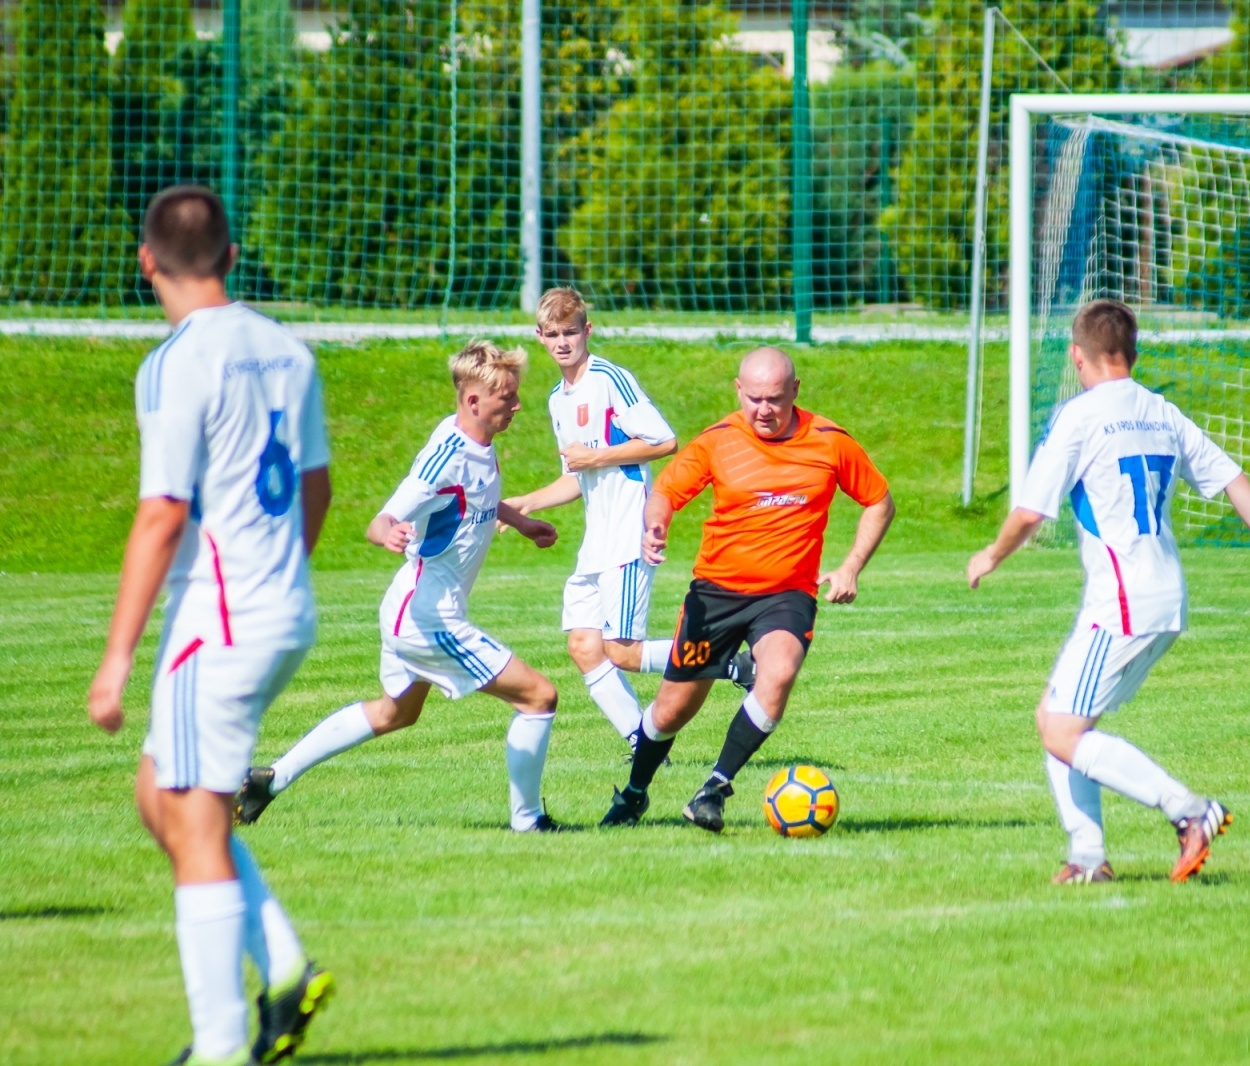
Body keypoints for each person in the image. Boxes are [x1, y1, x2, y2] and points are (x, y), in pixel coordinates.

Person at [87, 185, 335, 1066]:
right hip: (282, 609)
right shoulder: (288, 350)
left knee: (192, 823)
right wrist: (281, 578)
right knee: (161, 797)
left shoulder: (174, 362)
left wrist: (116, 660)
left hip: (217, 623)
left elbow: (160, 514)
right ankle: (288, 964)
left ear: (146, 261)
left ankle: (221, 1044)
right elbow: (316, 488)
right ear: (230, 256)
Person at [966, 299, 1250, 885]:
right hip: (1164, 593)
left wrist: (991, 554)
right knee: (1059, 718)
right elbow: (1229, 476)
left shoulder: (1078, 417)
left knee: (1062, 729)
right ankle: (1088, 859)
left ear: (1077, 355)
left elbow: (1029, 511)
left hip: (1122, 603)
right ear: (1132, 352)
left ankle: (1189, 811)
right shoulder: (1161, 411)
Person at [235, 341, 564, 833]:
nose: (517, 405)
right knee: (540, 696)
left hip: (412, 606)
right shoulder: (443, 458)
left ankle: (270, 778)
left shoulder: (476, 443)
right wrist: (385, 530)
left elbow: (476, 499)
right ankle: (528, 821)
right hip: (428, 618)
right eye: (508, 398)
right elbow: (381, 518)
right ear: (473, 400)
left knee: (394, 714)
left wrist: (520, 522)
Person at [599, 346, 895, 832]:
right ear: (738, 391)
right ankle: (635, 793)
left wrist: (850, 568)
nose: (764, 409)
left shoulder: (830, 442)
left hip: (786, 594)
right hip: (714, 595)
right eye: (754, 398)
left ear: (795, 392)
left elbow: (879, 502)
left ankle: (714, 788)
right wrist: (656, 525)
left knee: (777, 675)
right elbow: (666, 492)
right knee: (671, 712)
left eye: (775, 399)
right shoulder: (718, 441)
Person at [502, 288, 682, 756]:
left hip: (626, 532)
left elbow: (664, 441)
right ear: (539, 337)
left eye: (571, 332)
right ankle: (643, 745)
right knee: (584, 645)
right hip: (596, 541)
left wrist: (597, 455)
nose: (563, 342)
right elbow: (575, 476)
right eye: (553, 334)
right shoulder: (558, 399)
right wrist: (528, 502)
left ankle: (724, 661)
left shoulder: (609, 379)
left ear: (588, 330)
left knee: (622, 650)